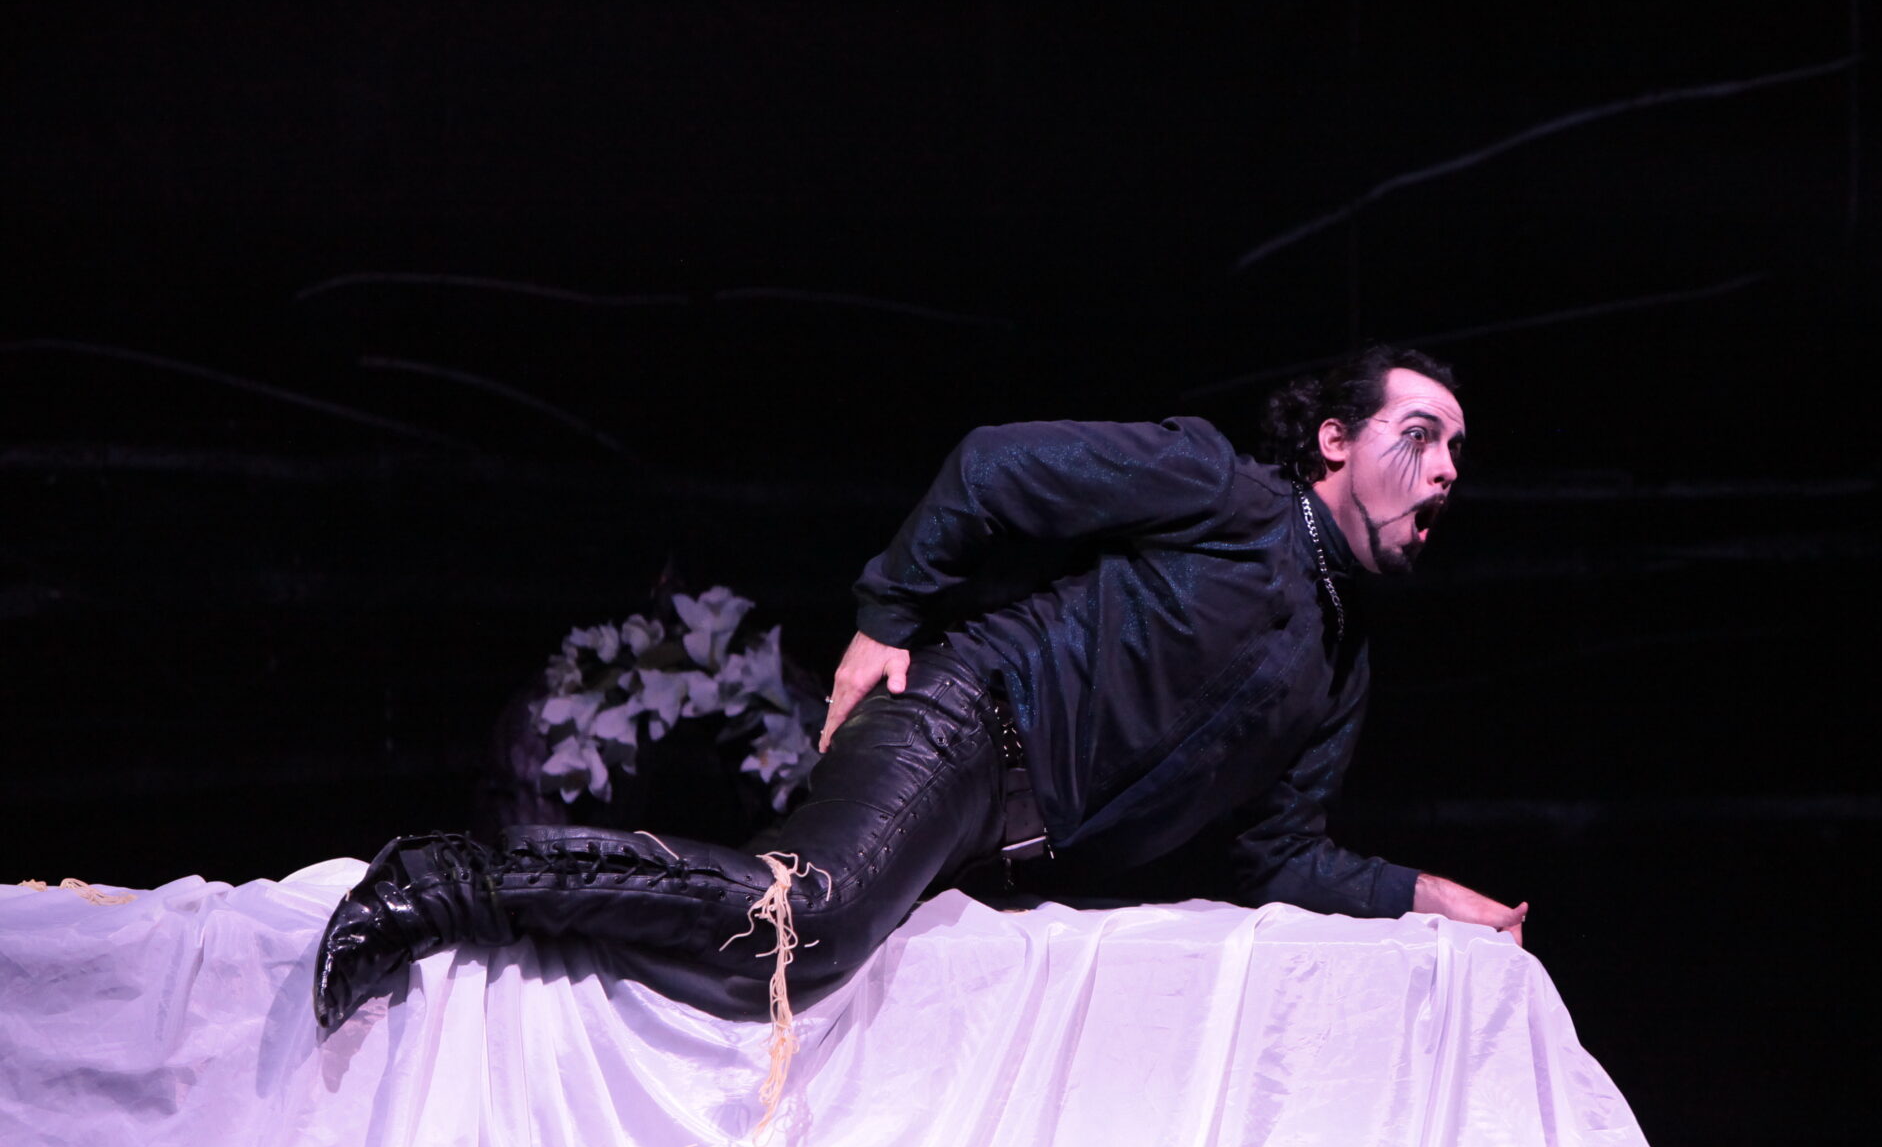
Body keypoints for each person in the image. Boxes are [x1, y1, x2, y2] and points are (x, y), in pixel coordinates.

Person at [311, 346, 1528, 1033]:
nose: (1444, 472)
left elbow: (1274, 855)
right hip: (966, 726)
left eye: (1459, 454)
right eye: (1420, 433)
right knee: (808, 922)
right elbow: (998, 468)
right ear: (1334, 442)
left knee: (845, 994)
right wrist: (885, 618)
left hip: (998, 848)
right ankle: (453, 879)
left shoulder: (1339, 664)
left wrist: (1419, 893)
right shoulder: (1223, 492)